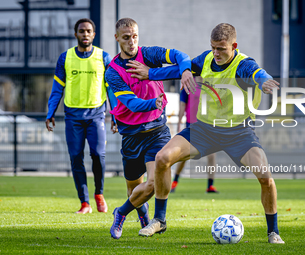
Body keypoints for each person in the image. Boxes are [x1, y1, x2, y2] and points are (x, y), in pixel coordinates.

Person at [135, 23, 285, 244]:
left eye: (222, 49)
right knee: (162, 158)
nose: (216, 53)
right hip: (204, 129)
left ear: (234, 46)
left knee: (266, 177)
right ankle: (159, 220)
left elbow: (258, 73)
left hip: (239, 133)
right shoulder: (206, 59)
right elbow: (180, 69)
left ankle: (273, 232)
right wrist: (150, 74)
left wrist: (264, 82)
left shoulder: (243, 64)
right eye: (213, 47)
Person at [106, 18, 195, 240]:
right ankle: (143, 214)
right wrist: (152, 103)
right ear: (117, 38)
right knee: (134, 191)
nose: (131, 41)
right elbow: (131, 103)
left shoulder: (150, 54)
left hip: (157, 131)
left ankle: (121, 213)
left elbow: (180, 56)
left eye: (135, 36)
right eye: (126, 37)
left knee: (153, 183)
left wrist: (184, 70)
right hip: (131, 136)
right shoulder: (113, 71)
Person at [46, 18, 114, 214]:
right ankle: (84, 203)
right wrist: (50, 112)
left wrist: (115, 115)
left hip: (96, 115)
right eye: (82, 31)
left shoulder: (104, 57)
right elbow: (57, 88)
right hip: (73, 117)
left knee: (98, 155)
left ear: (94, 34)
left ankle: (99, 194)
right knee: (76, 158)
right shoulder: (65, 58)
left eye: (89, 31)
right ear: (76, 34)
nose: (85, 34)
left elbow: (111, 89)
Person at [171, 78, 218, 193]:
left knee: (211, 156)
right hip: (192, 127)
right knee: (184, 156)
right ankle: (174, 181)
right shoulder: (188, 88)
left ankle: (210, 186)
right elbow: (182, 107)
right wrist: (179, 124)